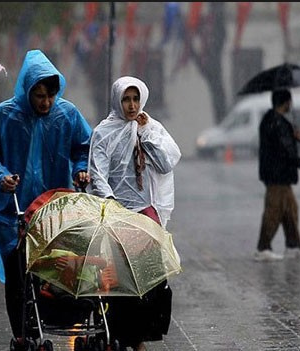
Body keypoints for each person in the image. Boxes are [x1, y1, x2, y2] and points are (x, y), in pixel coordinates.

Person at [0, 49, 92, 350]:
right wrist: (1, 177)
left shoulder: (67, 115)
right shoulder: (4, 117)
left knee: (53, 271)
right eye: (38, 95)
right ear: (27, 90)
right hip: (13, 213)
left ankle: (46, 321)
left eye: (49, 95)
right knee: (17, 273)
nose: (45, 102)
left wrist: (80, 172)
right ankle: (23, 333)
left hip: (54, 210)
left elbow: (84, 148)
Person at [88, 76, 181, 351]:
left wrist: (146, 134)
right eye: (126, 99)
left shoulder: (148, 127)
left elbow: (165, 164)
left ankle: (142, 335)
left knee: (151, 279)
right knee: (121, 282)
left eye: (135, 99)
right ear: (118, 100)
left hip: (145, 212)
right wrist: (111, 204)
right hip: (116, 214)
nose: (131, 105)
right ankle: (127, 337)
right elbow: (98, 173)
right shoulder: (103, 133)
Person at [255, 89, 300, 261]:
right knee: (273, 212)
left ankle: (293, 245)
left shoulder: (275, 121)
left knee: (290, 210)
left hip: (280, 175)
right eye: (290, 101)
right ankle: (262, 248)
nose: (291, 104)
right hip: (276, 175)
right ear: (285, 102)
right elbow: (287, 150)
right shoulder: (276, 122)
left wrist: (298, 136)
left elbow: (291, 140)